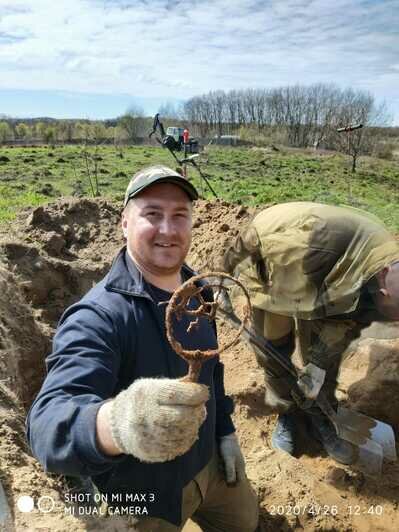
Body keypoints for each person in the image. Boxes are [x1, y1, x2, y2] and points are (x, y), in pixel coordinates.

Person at [26, 165, 259, 532]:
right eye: (152, 214)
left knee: (245, 523)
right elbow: (47, 425)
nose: (167, 229)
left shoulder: (198, 291)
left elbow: (212, 370)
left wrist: (225, 432)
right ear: (124, 223)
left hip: (210, 467)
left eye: (179, 215)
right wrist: (117, 422)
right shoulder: (99, 315)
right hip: (144, 497)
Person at [222, 201, 399, 464]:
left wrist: (318, 365)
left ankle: (322, 417)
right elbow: (248, 242)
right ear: (384, 281)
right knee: (272, 349)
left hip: (330, 288)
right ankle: (288, 415)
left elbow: (346, 322)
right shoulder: (297, 245)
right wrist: (222, 277)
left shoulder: (380, 274)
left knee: (322, 364)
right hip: (275, 275)